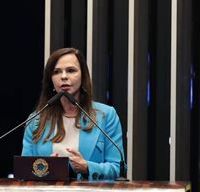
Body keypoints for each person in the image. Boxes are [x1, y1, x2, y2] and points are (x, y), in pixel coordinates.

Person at [21, 47, 125, 181]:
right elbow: (24, 172)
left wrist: (88, 167)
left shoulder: (106, 116)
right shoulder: (36, 119)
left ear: (83, 76)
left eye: (71, 70)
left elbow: (119, 169)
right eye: (56, 72)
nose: (64, 76)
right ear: (51, 80)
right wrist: (46, 169)